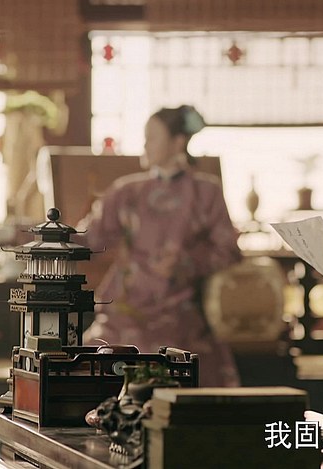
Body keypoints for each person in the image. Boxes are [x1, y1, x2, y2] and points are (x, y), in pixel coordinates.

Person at [78, 105, 242, 387]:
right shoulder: (126, 191)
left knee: (179, 358)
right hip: (125, 305)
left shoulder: (207, 192)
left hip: (179, 308)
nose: (145, 145)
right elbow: (91, 237)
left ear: (178, 142)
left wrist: (183, 263)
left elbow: (227, 251)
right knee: (91, 359)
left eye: (152, 137)